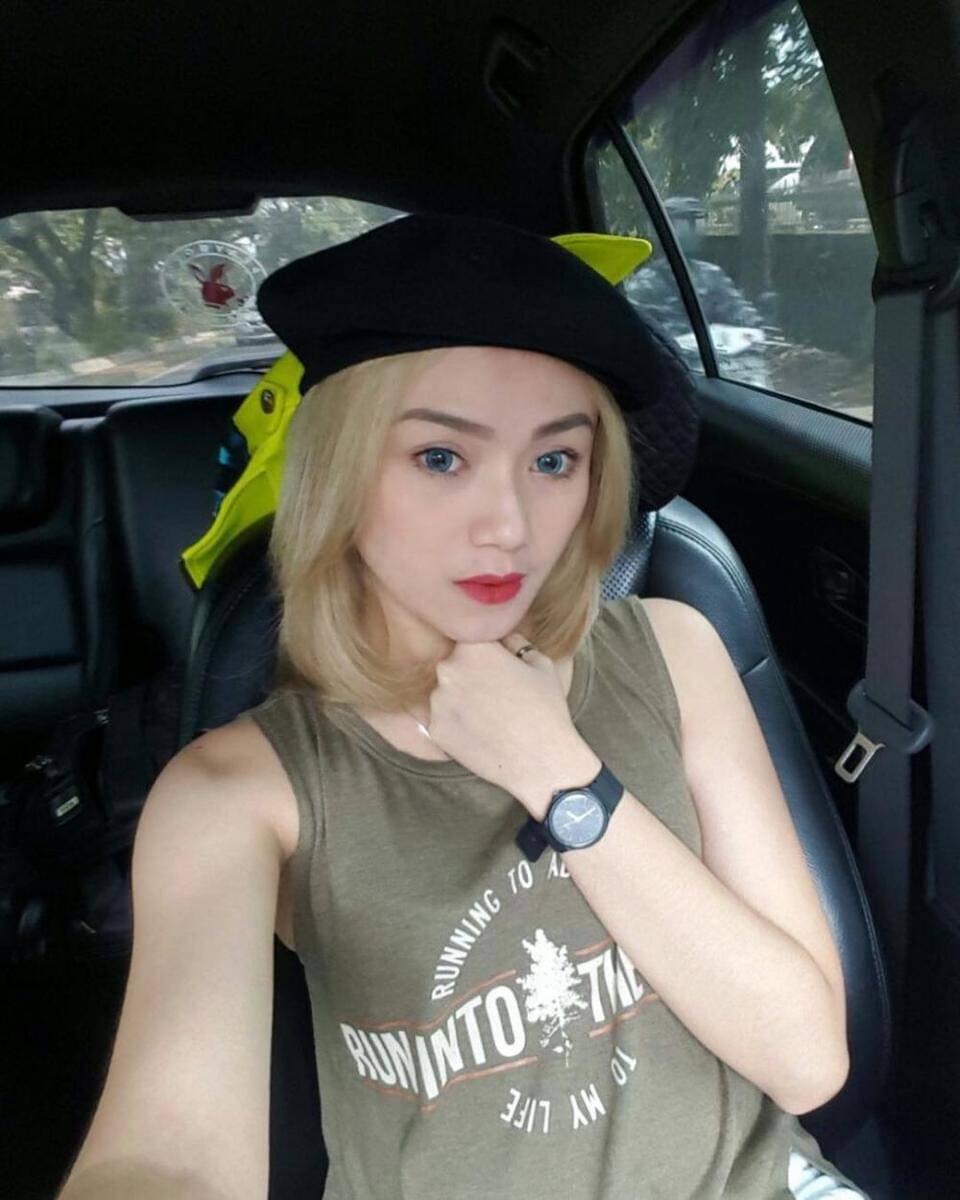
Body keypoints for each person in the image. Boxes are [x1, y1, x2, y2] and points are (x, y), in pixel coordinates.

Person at [59, 213, 873, 1200]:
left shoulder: (675, 649)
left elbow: (808, 1060)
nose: (509, 526)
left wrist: (559, 774)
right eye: (441, 458)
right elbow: (167, 1154)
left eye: (554, 461)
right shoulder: (235, 791)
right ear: (340, 473)